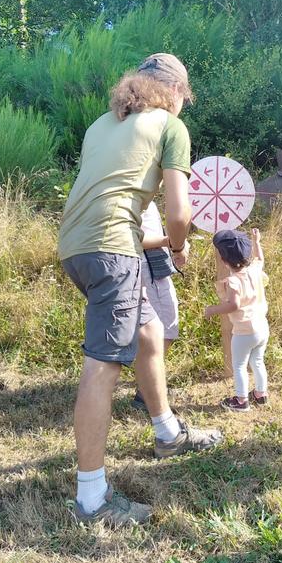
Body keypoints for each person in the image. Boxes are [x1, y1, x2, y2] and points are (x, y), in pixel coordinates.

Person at [58, 53, 223, 528]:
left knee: (148, 331)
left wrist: (163, 240)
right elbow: (178, 212)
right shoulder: (171, 126)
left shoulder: (100, 125)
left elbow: (110, 196)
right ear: (176, 93)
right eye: (183, 99)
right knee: (104, 365)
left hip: (75, 245)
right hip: (113, 251)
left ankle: (167, 433)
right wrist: (179, 246)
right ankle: (92, 499)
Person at [205, 228, 270, 412]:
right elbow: (261, 259)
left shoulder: (234, 281)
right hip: (261, 328)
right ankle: (261, 394)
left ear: (224, 261)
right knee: (257, 361)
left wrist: (213, 310)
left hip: (243, 331)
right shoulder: (255, 269)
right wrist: (257, 241)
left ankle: (241, 401)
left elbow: (233, 305)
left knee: (239, 364)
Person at [130, 201, 182, 411]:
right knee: (165, 327)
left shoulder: (141, 196)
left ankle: (147, 384)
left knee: (151, 328)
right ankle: (146, 391)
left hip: (149, 266)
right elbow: (132, 238)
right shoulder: (135, 198)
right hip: (148, 269)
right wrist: (170, 242)